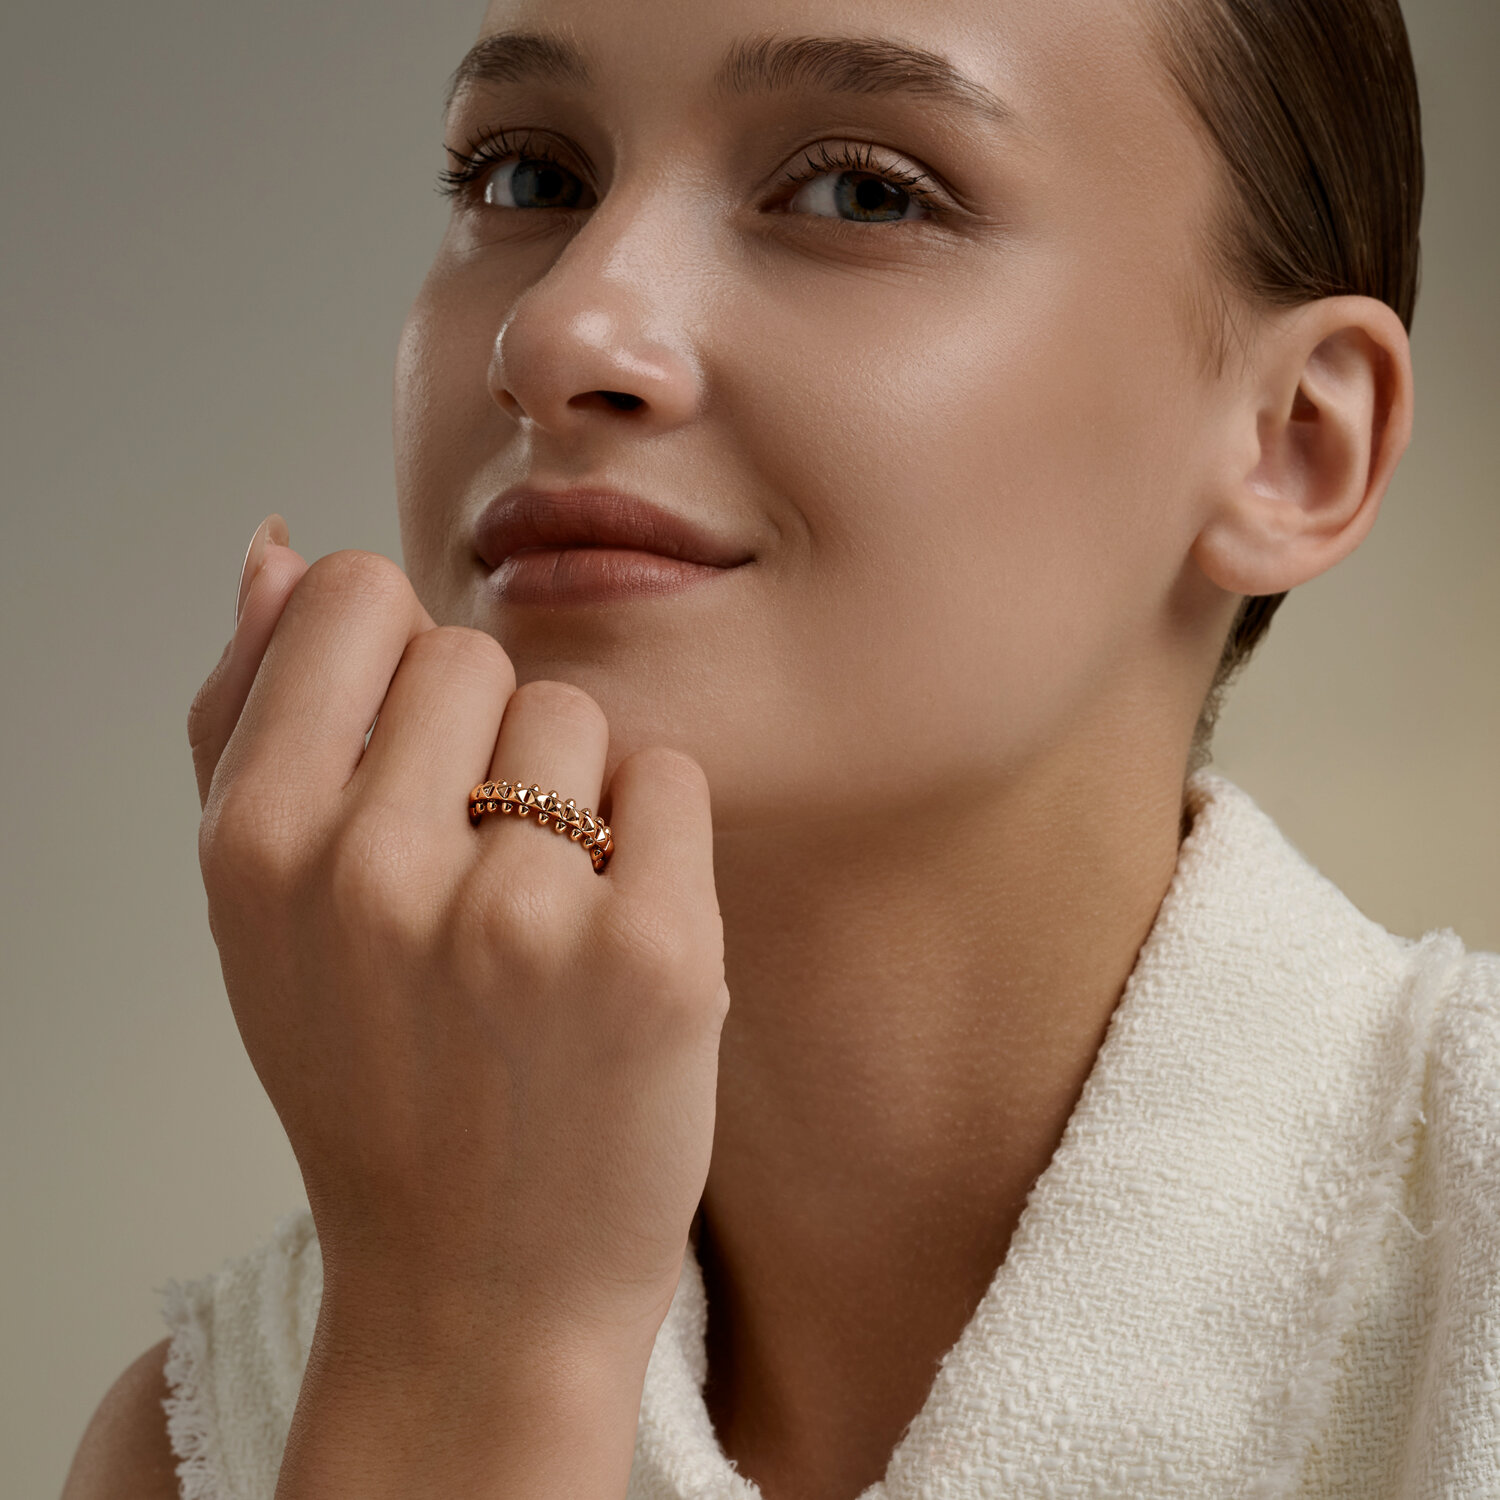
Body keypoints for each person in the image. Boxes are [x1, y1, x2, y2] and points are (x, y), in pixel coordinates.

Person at [61, 0, 1498, 1496]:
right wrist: (460, 1345)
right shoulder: (204, 1446)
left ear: (1294, 442)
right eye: (527, 176)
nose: (555, 333)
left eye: (863, 191)